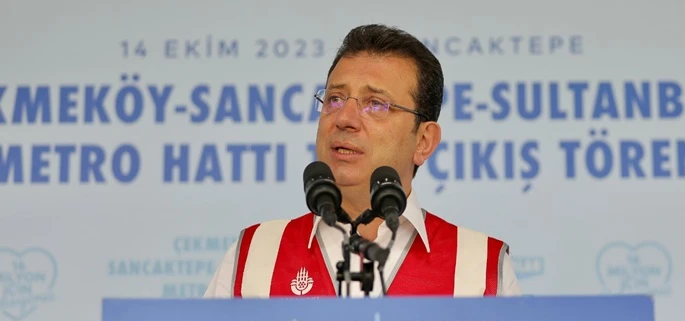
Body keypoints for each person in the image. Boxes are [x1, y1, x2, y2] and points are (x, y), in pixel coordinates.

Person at [204, 24, 521, 298]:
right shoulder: (254, 256)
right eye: (334, 99)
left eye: (376, 104)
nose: (344, 118)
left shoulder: (480, 269)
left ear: (424, 141)